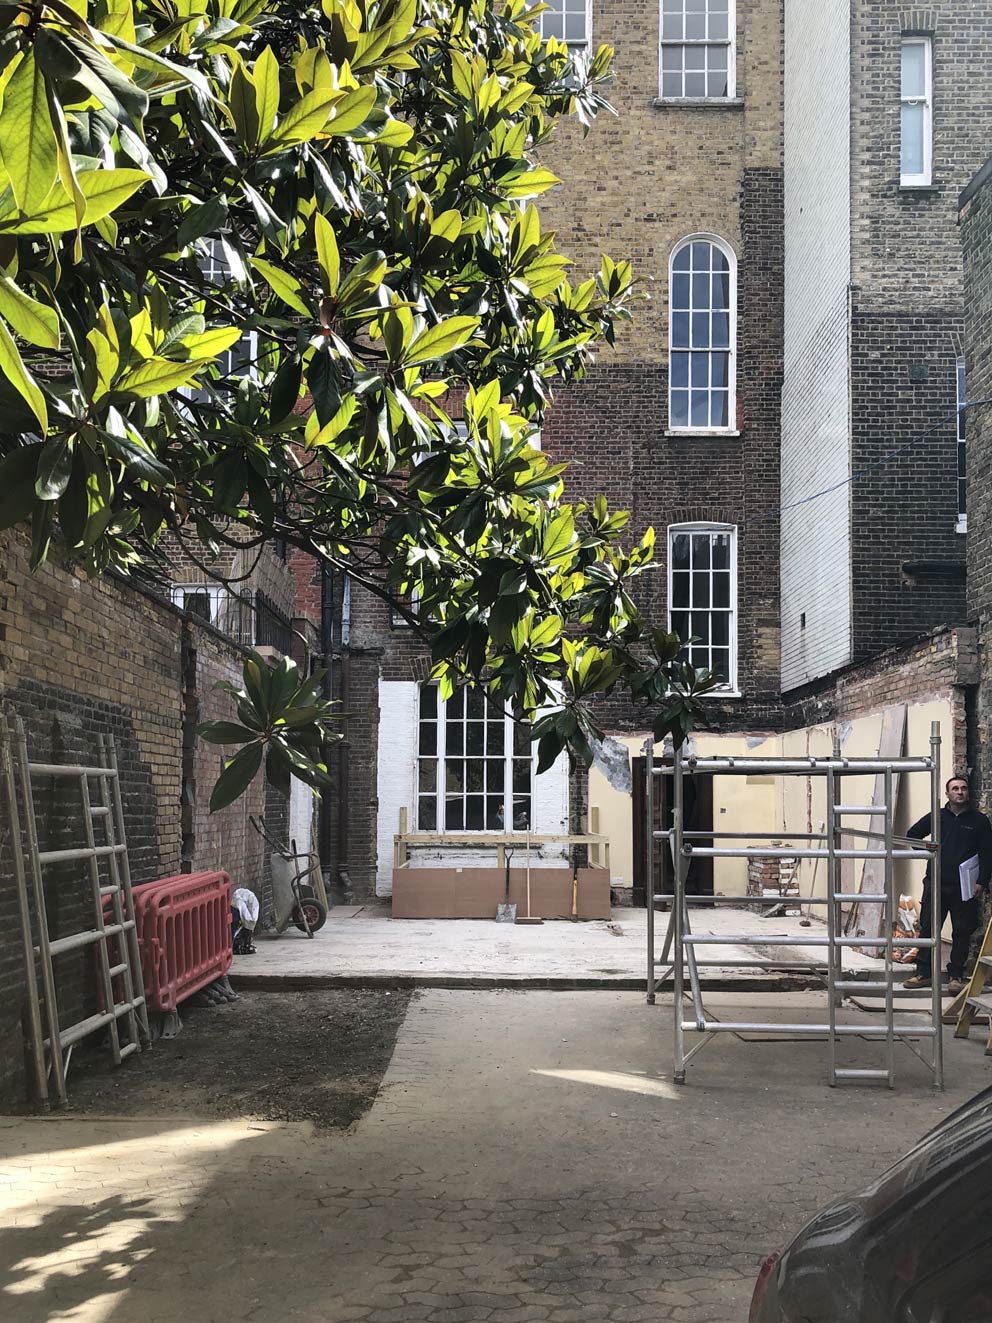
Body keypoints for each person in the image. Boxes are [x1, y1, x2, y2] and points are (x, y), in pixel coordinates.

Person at [904, 776, 992, 993]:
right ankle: (923, 973)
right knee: (928, 928)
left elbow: (987, 852)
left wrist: (981, 881)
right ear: (947, 794)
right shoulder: (938, 817)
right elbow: (912, 835)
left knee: (962, 931)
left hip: (965, 886)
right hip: (935, 883)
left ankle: (956, 975)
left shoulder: (979, 821)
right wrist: (927, 850)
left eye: (963, 789)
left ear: (967, 793)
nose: (959, 792)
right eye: (955, 789)